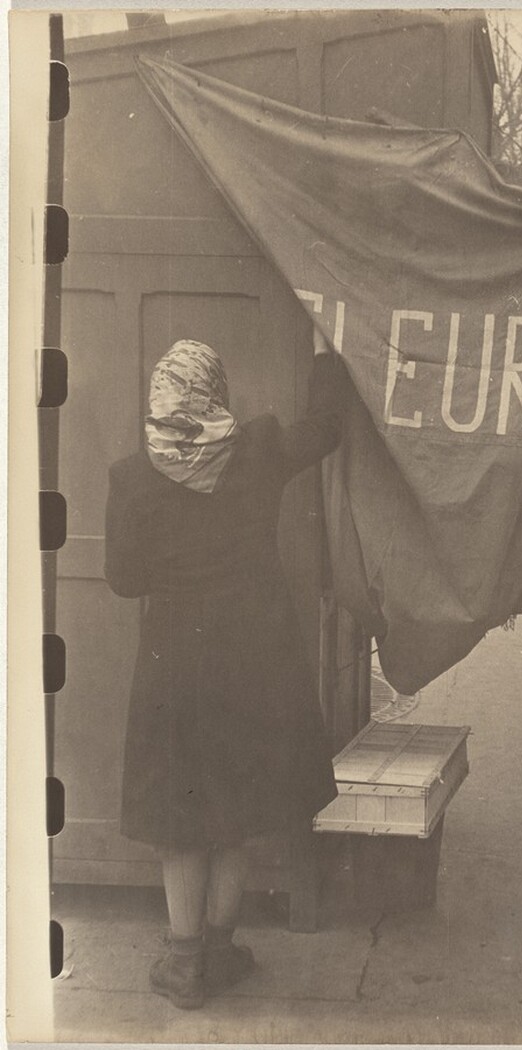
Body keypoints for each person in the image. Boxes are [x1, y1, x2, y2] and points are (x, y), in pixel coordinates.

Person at [104, 331, 348, 1009]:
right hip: (256, 656)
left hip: (173, 660)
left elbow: (123, 581)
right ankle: (219, 947)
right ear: (216, 392)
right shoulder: (258, 450)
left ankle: (184, 965)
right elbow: (326, 426)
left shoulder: (132, 475)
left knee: (180, 811)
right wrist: (328, 349)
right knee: (236, 805)